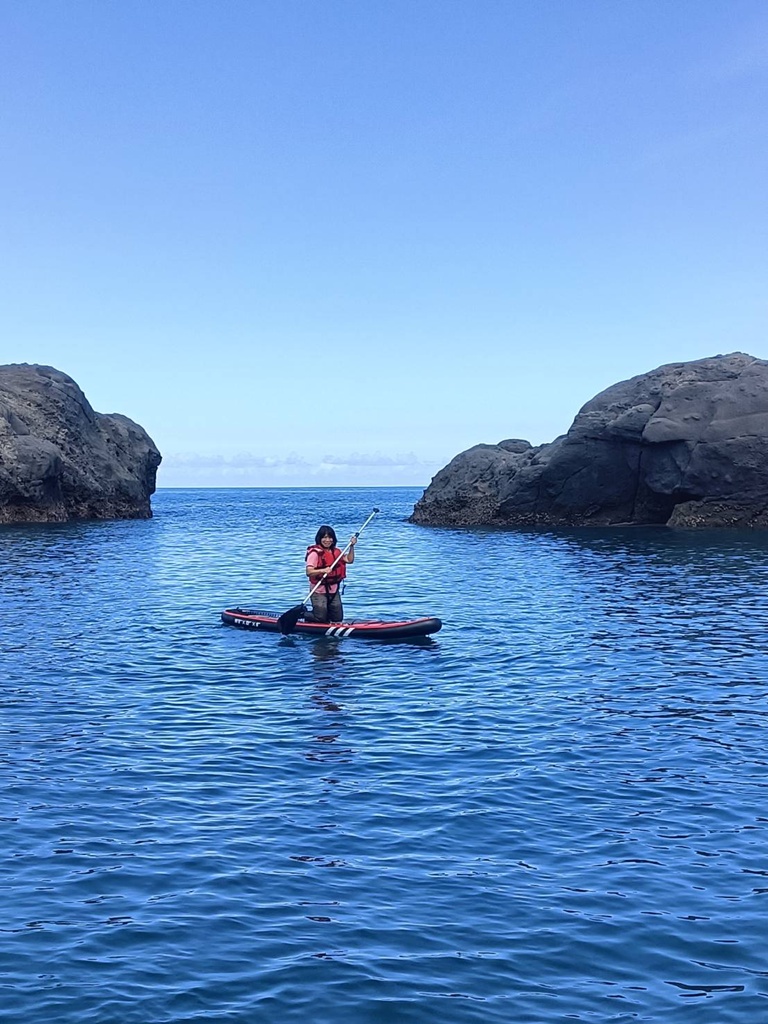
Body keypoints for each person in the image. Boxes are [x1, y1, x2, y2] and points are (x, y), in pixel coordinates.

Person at [305, 524, 357, 623]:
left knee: (338, 619)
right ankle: (303, 615)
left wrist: (351, 546)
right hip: (318, 591)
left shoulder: (337, 552)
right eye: (324, 538)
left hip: (334, 591)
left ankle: (327, 617)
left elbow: (349, 560)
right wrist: (323, 570)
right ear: (319, 539)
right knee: (320, 618)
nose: (327, 540)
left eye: (330, 537)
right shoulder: (315, 553)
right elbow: (309, 572)